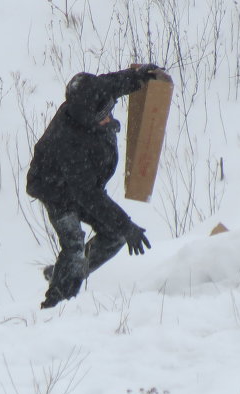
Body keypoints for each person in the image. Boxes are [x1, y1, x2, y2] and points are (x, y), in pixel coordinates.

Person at [27, 65, 163, 308]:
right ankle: (55, 303)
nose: (109, 117)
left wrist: (140, 77)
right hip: (55, 189)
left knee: (115, 236)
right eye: (102, 116)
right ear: (87, 117)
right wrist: (127, 224)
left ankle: (66, 274)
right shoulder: (69, 142)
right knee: (74, 247)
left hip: (83, 185)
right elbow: (88, 195)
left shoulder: (96, 91)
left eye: (109, 111)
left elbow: (116, 82)